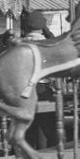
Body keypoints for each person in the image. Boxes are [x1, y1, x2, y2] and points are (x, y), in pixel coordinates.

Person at [20, 10, 55, 149]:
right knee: (48, 124)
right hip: (42, 88)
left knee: (28, 126)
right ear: (42, 27)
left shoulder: (20, 43)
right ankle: (53, 151)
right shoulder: (47, 43)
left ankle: (26, 153)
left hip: (23, 89)